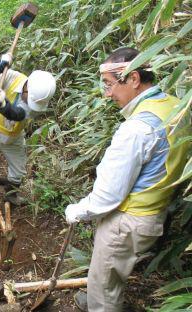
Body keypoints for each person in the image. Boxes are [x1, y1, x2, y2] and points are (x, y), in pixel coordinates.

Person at [65, 47, 191, 311]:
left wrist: (77, 210)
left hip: (128, 221)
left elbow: (108, 196)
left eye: (110, 84)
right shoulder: (173, 104)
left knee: (104, 281)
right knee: (114, 271)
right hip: (155, 213)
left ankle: (100, 305)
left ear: (134, 79)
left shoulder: (137, 129)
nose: (107, 93)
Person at [0, 53, 57, 222]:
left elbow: (16, 114)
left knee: (18, 170)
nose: (29, 102)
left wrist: (2, 104)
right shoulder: (11, 76)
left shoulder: (36, 103)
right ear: (27, 87)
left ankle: (11, 196)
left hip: (14, 137)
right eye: (28, 97)